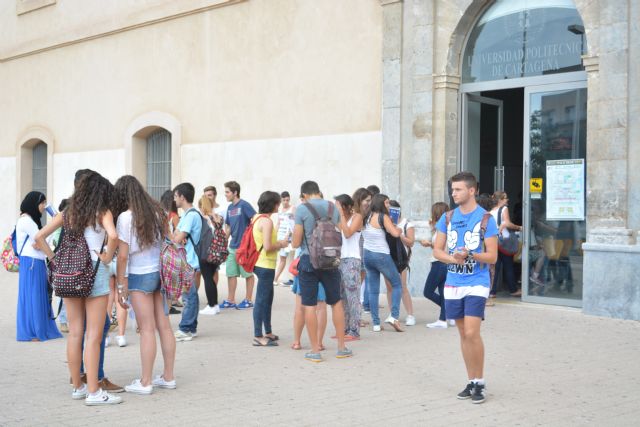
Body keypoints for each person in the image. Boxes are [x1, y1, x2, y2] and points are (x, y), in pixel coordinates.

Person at [35, 171, 122, 405]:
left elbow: (39, 237)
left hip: (69, 273)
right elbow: (113, 235)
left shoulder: (68, 212)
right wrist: (106, 256)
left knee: (75, 333)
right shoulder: (103, 212)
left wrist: (54, 259)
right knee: (93, 335)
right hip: (95, 273)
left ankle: (78, 387)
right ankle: (94, 392)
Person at [433, 171, 498, 404]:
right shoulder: (448, 218)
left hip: (477, 283)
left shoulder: (486, 220)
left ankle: (480, 382)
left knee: (472, 332)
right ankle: (471, 381)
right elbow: (437, 250)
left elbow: (492, 257)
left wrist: (470, 253)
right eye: (452, 189)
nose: (454, 193)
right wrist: (452, 259)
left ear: (472, 190)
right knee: (462, 334)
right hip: (453, 283)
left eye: (458, 189)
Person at [113, 175, 176, 394]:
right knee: (164, 326)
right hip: (160, 272)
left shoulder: (125, 217)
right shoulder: (157, 211)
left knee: (147, 329)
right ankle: (168, 376)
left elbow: (122, 256)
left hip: (139, 275)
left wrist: (121, 286)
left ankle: (146, 381)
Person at [292, 181, 352, 362]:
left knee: (309, 305)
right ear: (318, 192)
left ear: (304, 195)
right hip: (331, 260)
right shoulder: (333, 207)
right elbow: (344, 232)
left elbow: (295, 242)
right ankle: (341, 348)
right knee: (336, 303)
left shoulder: (302, 209)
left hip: (308, 261)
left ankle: (315, 350)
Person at [16, 191, 62, 342]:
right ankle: (34, 331)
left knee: (36, 295)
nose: (43, 206)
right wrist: (52, 257)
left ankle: (36, 329)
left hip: (33, 261)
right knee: (34, 296)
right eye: (42, 203)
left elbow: (38, 241)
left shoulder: (29, 220)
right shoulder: (27, 221)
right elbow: (39, 241)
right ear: (34, 204)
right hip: (32, 262)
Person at [362, 194, 404, 332]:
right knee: (397, 284)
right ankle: (394, 316)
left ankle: (375, 324)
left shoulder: (366, 216)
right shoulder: (383, 217)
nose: (388, 205)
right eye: (386, 203)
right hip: (381, 255)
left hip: (367, 255)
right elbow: (395, 234)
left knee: (373, 290)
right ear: (380, 203)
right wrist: (398, 228)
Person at [251, 191, 289, 346]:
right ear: (273, 204)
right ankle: (258, 336)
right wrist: (281, 244)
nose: (279, 205)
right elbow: (267, 247)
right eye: (278, 203)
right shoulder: (266, 222)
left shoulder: (257, 218)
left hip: (262, 264)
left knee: (267, 300)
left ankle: (268, 331)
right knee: (261, 301)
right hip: (265, 264)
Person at [172, 183, 202, 342]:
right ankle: (191, 327)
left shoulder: (190, 216)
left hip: (188, 262)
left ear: (182, 197)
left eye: (176, 196)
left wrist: (171, 233)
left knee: (188, 297)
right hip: (188, 261)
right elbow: (178, 236)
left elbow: (176, 238)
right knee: (191, 295)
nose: (174, 199)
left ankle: (186, 328)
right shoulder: (188, 215)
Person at [222, 181, 257, 309]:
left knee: (248, 274)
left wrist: (251, 238)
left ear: (235, 192)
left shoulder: (244, 205)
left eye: (227, 192)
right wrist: (223, 241)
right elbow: (229, 227)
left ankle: (248, 300)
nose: (225, 194)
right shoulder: (230, 208)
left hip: (244, 247)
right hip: (232, 246)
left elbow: (255, 220)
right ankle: (231, 300)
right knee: (230, 273)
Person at [334, 194, 363, 340]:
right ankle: (344, 329)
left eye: (339, 206)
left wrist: (340, 215)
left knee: (353, 296)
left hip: (352, 260)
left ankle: (354, 330)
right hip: (340, 259)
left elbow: (347, 233)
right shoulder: (340, 218)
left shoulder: (357, 217)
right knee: (342, 297)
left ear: (347, 206)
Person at [420, 202, 452, 328]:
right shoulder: (444, 227)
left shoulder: (443, 229)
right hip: (444, 263)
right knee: (443, 292)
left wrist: (429, 244)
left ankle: (451, 311)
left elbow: (441, 247)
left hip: (439, 263)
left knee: (427, 292)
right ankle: (443, 319)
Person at [384, 200, 416, 326]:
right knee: (389, 287)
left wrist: (399, 233)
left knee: (402, 286)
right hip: (388, 256)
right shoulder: (385, 223)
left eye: (391, 210)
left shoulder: (407, 223)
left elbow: (411, 242)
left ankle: (410, 314)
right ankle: (392, 313)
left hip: (401, 258)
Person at [489, 191, 522, 303]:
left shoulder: (491, 211)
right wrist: (519, 227)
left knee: (496, 267)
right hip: (504, 241)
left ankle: (492, 291)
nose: (507, 200)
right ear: (500, 200)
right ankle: (513, 289)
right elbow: (507, 223)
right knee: (508, 266)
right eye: (505, 198)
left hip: (494, 241)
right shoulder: (504, 209)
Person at [198, 195, 222, 316]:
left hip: (205, 252)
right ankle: (215, 305)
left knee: (207, 279)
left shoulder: (203, 218)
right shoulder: (216, 217)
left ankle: (211, 305)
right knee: (211, 279)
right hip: (216, 252)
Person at [160, 190, 181, 314]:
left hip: (161, 249)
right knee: (172, 277)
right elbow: (177, 234)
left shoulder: (160, 213)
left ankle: (168, 303)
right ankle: (170, 304)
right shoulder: (174, 216)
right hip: (172, 249)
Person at [352, 188, 372, 316]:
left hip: (364, 252)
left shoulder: (366, 215)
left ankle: (357, 315)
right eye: (367, 200)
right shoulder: (355, 214)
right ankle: (354, 316)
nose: (369, 203)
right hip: (355, 253)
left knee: (359, 286)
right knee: (354, 287)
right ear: (359, 200)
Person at [273, 191, 295, 286]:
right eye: (284, 200)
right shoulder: (280, 210)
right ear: (281, 200)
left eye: (287, 200)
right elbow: (278, 223)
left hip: (287, 236)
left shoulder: (293, 208)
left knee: (282, 257)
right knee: (276, 256)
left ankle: (275, 279)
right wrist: (273, 234)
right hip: (279, 236)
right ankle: (274, 278)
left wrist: (289, 235)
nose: (286, 202)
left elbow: (293, 223)